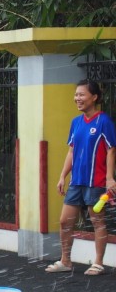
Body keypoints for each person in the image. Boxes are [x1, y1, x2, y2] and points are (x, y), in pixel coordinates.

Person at [45, 79, 115, 276]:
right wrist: (62, 176)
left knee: (97, 221)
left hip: (96, 181)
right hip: (77, 181)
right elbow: (71, 151)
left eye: (81, 94)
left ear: (94, 97)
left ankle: (99, 263)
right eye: (76, 95)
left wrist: (110, 178)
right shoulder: (75, 123)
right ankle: (65, 261)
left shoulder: (104, 121)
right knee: (65, 221)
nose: (77, 98)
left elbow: (111, 151)